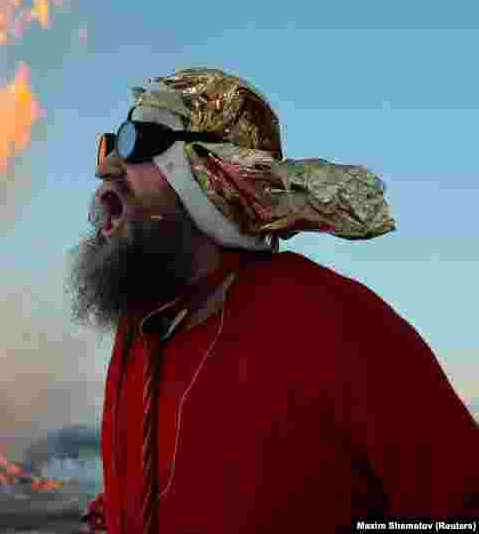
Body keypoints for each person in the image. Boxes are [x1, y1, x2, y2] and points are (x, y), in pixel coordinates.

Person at [68, 68, 478, 533]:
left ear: (212, 170)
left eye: (135, 141)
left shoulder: (333, 323)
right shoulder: (141, 326)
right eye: (109, 143)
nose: (105, 166)